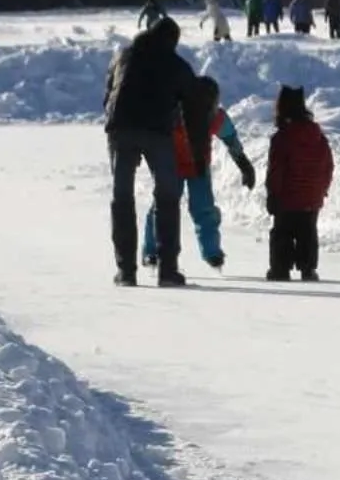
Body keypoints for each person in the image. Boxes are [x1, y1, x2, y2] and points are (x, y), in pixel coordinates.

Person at [103, 16, 204, 286]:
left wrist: (113, 122)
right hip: (158, 132)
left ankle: (126, 272)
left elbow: (109, 90)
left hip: (121, 129)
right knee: (167, 196)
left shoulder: (124, 55)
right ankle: (167, 270)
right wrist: (196, 149)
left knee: (122, 197)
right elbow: (194, 106)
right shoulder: (175, 64)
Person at [142, 75, 257, 271]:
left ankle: (212, 253)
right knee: (162, 207)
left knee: (204, 210)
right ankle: (151, 251)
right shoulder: (172, 115)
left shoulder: (216, 117)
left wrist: (244, 163)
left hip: (198, 168)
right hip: (172, 167)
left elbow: (230, 139)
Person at [265, 84, 334, 282]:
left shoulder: (281, 138)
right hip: (312, 195)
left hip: (287, 195)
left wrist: (272, 194)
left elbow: (276, 171)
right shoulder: (318, 136)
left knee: (282, 232)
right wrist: (322, 189)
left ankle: (280, 269)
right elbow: (328, 165)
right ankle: (308, 268)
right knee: (308, 232)